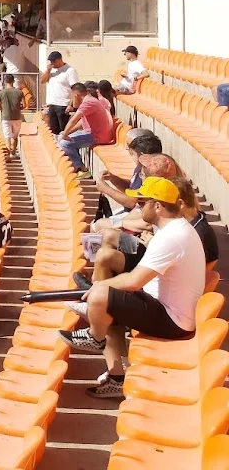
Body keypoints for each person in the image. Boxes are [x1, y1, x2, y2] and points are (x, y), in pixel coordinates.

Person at [62, 177, 207, 399]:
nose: (136, 207)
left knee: (102, 297)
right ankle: (116, 376)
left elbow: (133, 281)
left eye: (141, 203)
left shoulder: (172, 236)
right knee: (106, 301)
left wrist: (98, 289)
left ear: (157, 206)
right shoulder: (173, 229)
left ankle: (94, 335)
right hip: (165, 308)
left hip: (173, 321)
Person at [58, 82, 115, 174]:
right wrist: (65, 133)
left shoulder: (88, 103)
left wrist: (65, 134)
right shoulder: (90, 101)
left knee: (65, 143)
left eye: (72, 97)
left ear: (76, 95)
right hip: (94, 133)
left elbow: (73, 120)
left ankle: (81, 169)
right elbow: (80, 123)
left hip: (97, 136)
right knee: (59, 138)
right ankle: (72, 166)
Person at [41, 51, 79, 135]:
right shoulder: (51, 71)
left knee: (63, 129)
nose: (52, 63)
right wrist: (48, 71)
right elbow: (42, 80)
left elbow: (75, 89)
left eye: (54, 61)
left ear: (60, 60)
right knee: (54, 130)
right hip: (52, 104)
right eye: (51, 62)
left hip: (63, 105)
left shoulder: (70, 71)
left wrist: (71, 104)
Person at [0, 74, 24, 156]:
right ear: (13, 81)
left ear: (5, 81)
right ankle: (14, 152)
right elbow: (24, 104)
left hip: (5, 117)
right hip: (17, 116)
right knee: (15, 136)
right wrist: (18, 109)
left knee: (7, 136)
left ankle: (8, 154)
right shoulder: (19, 92)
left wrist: (3, 110)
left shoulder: (1, 93)